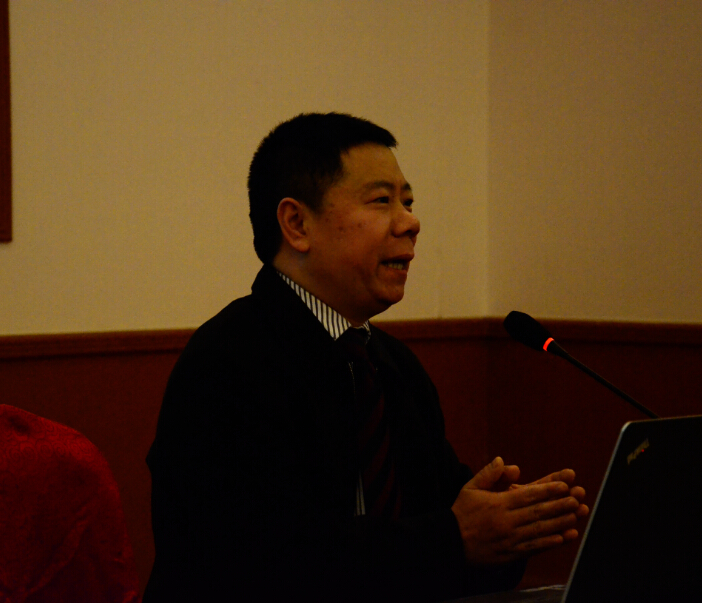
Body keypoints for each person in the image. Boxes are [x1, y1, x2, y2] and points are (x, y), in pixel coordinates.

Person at [144, 113, 588, 602]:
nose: (411, 223)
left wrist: (505, 531)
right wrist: (452, 538)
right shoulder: (226, 365)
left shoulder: (393, 366)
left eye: (408, 202)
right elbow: (260, 563)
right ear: (296, 224)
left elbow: (447, 535)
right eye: (382, 201)